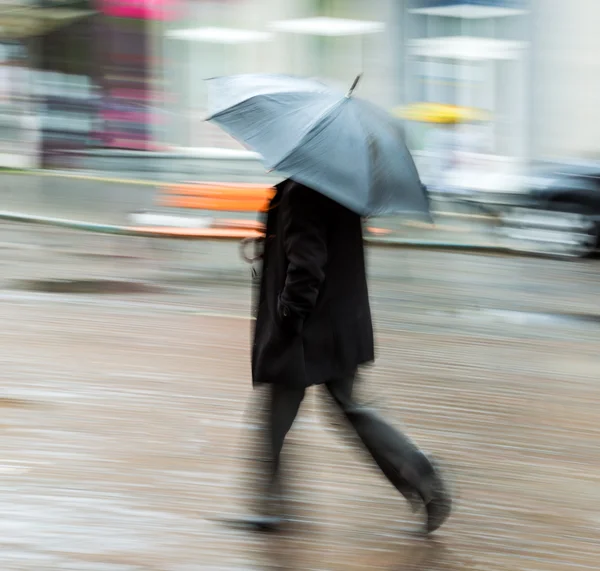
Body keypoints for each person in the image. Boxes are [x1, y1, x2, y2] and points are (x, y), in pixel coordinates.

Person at [241, 178, 451, 534]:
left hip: (307, 330)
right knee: (347, 406)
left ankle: (270, 506)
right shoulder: (337, 184)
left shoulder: (302, 188)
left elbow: (307, 264)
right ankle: (422, 476)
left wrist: (287, 317)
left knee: (275, 416)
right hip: (338, 322)